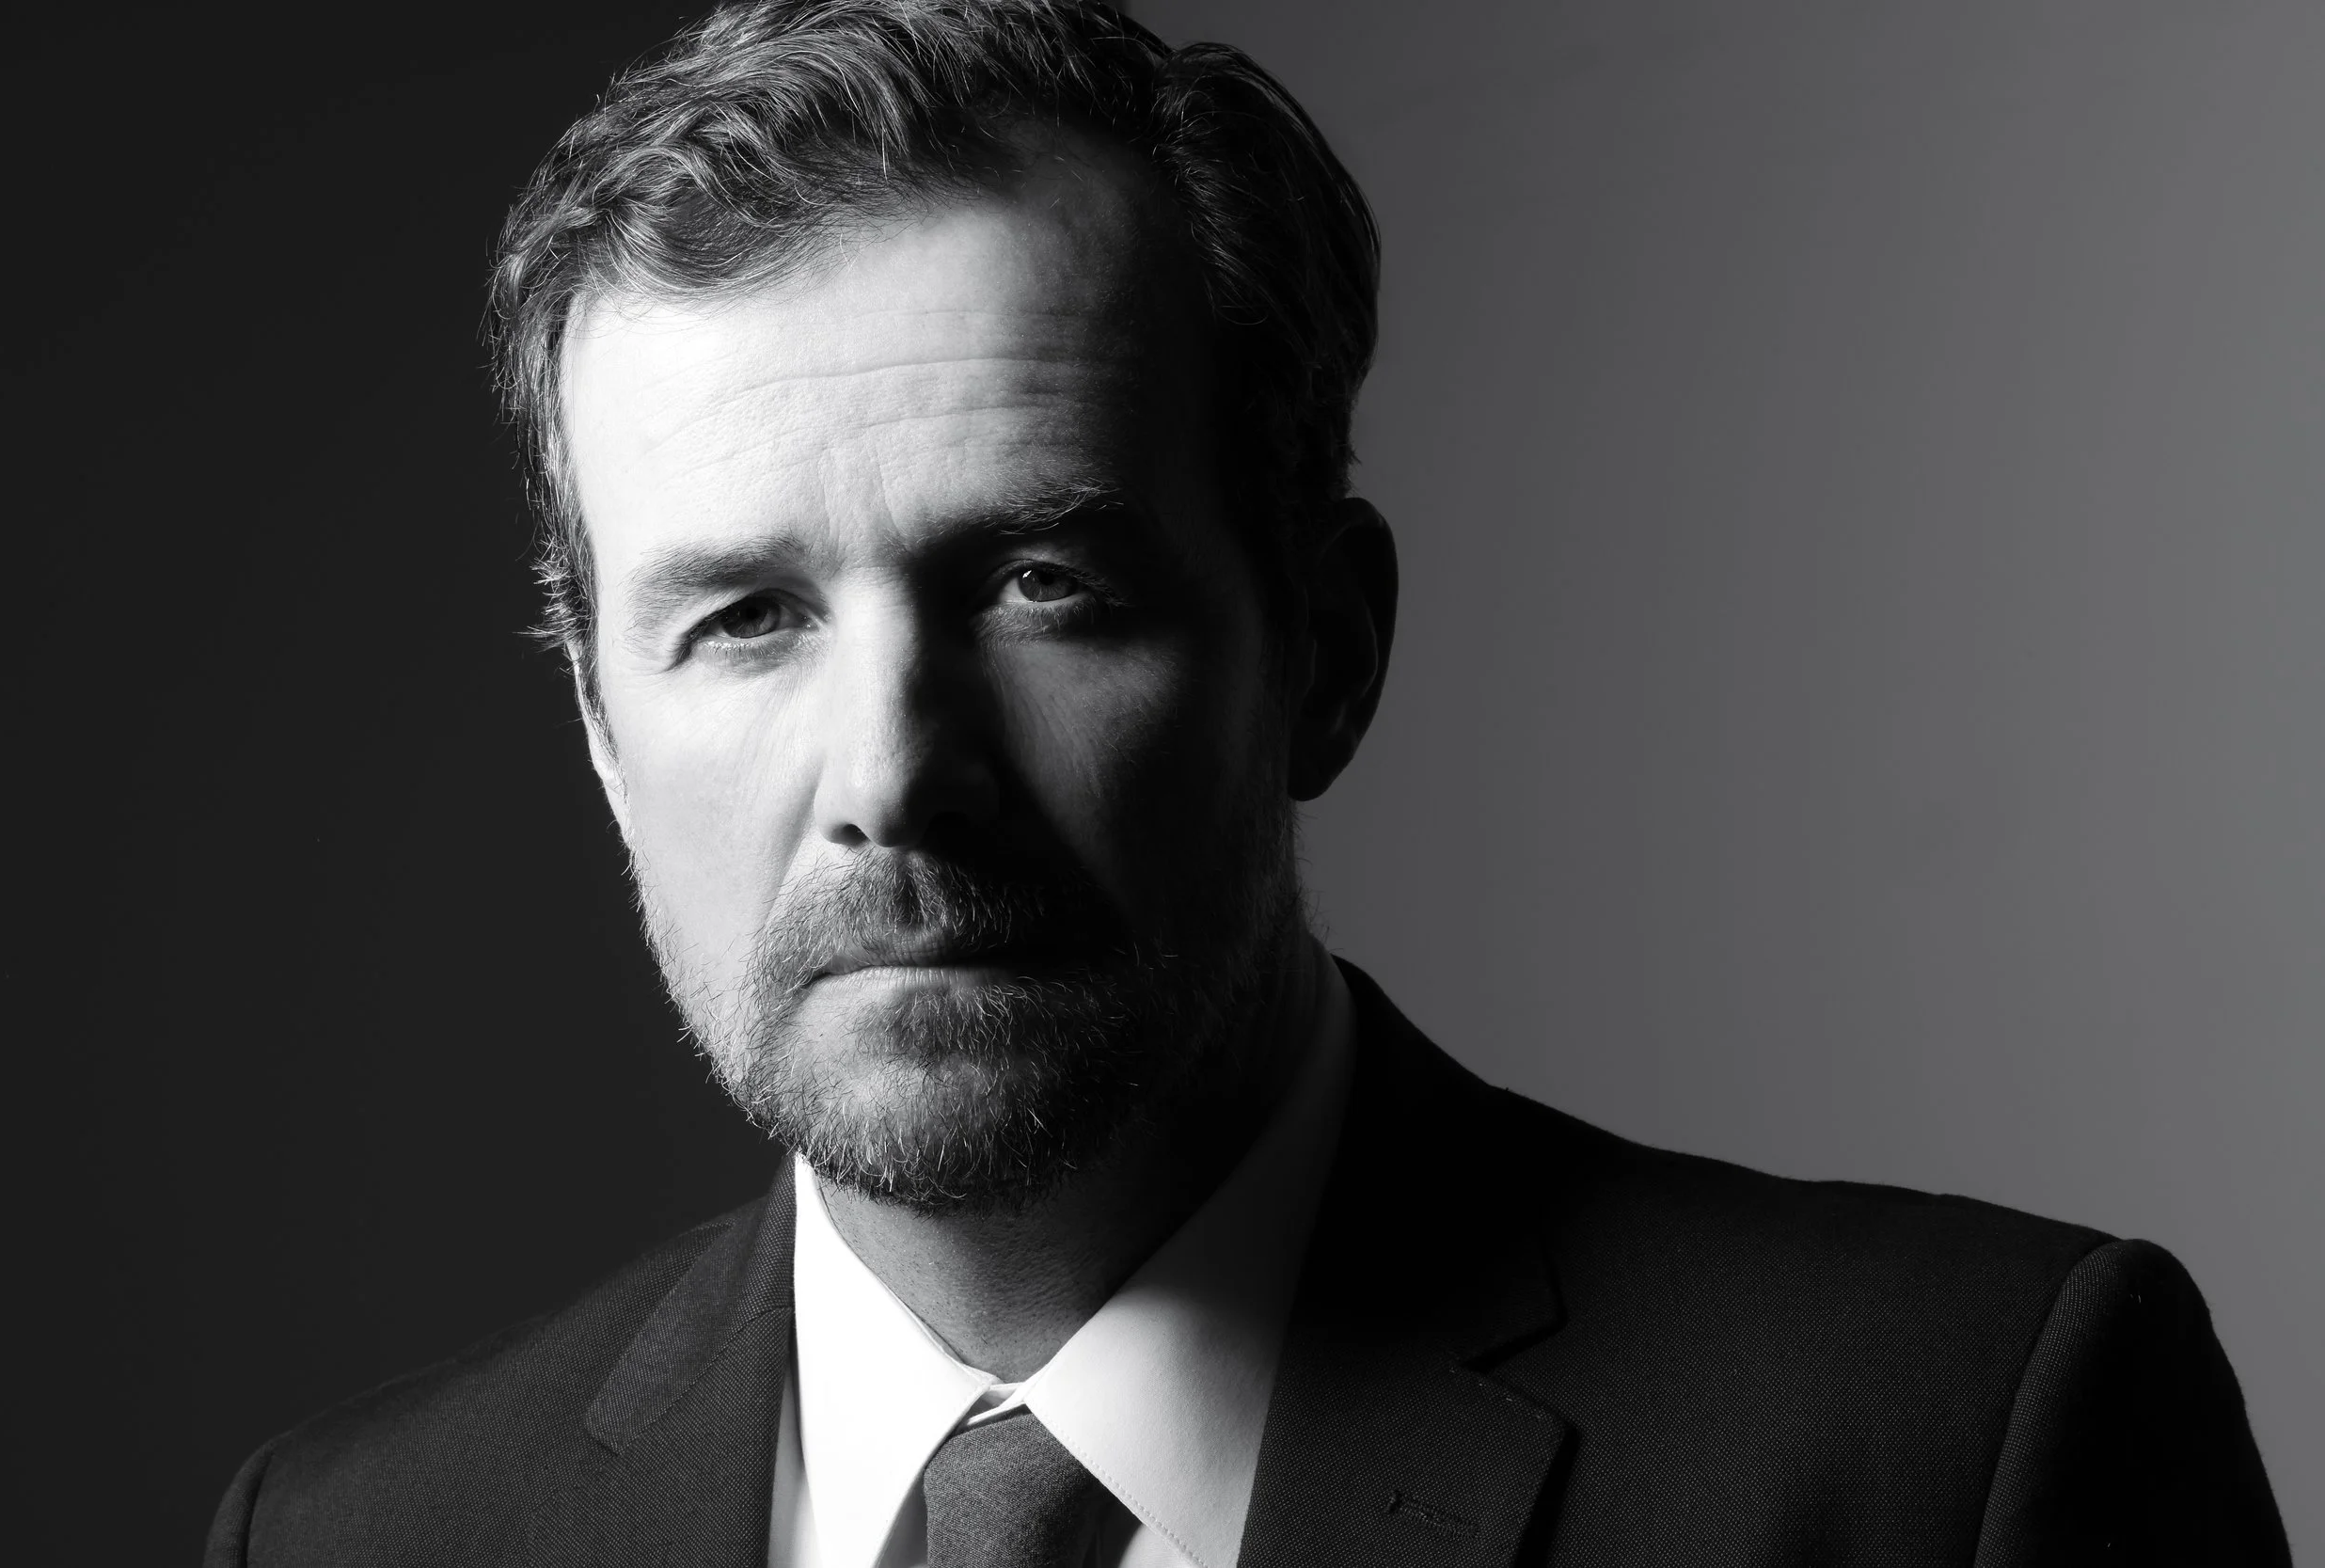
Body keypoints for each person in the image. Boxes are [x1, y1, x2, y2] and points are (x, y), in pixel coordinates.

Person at [206, 3, 2290, 1563]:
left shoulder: (1962, 1450)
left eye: (1038, 579)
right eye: (743, 617)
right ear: (595, 725)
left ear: (1325, 647)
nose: (892, 779)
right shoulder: (345, 1538)